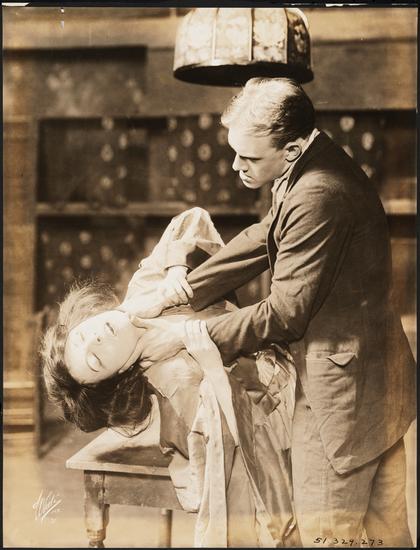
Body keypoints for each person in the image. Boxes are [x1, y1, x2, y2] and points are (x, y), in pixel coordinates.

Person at [128, 78, 416, 548]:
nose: (235, 166)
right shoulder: (314, 162)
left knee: (326, 537)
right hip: (376, 380)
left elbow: (284, 314)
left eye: (248, 158)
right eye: (234, 153)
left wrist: (187, 336)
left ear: (292, 148)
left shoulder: (318, 192)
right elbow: (267, 234)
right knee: (388, 535)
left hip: (340, 398)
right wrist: (178, 294)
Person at [41, 207, 300, 547]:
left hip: (284, 328)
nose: (97, 339)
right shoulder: (175, 380)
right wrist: (211, 366)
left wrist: (175, 271)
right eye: (95, 359)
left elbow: (193, 218)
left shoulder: (142, 289)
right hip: (282, 391)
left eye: (82, 335)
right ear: (115, 376)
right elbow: (234, 446)